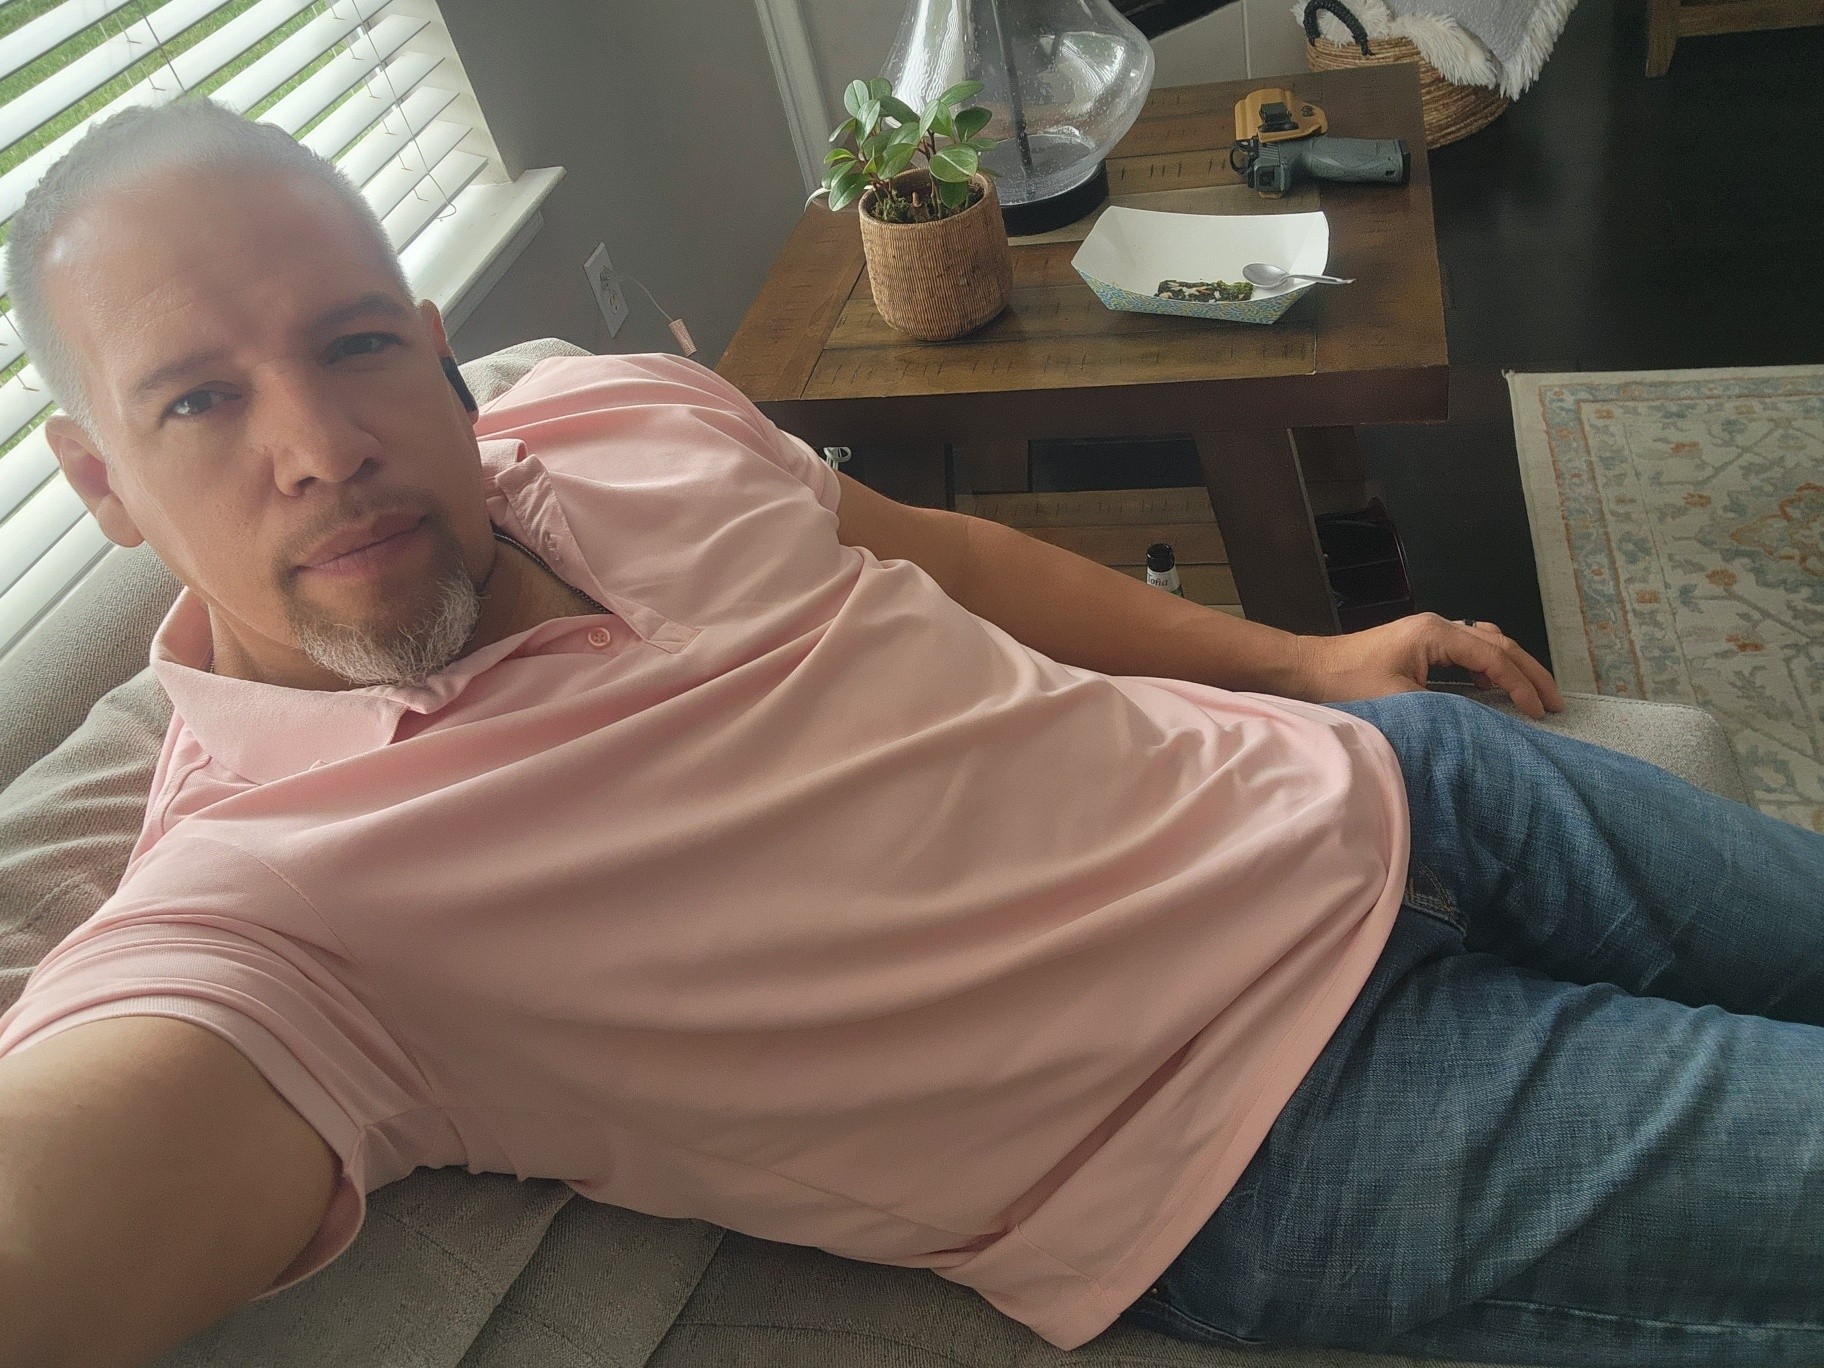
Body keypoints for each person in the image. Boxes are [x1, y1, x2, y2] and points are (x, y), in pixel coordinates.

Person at [0, 97, 1818, 1368]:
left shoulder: (613, 411)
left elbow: (942, 552)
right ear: (100, 483)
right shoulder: (261, 896)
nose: (319, 446)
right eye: (199, 401)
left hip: (1398, 790)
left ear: (430, 344)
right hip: (1294, 1123)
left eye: (352, 347)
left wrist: (1306, 659)